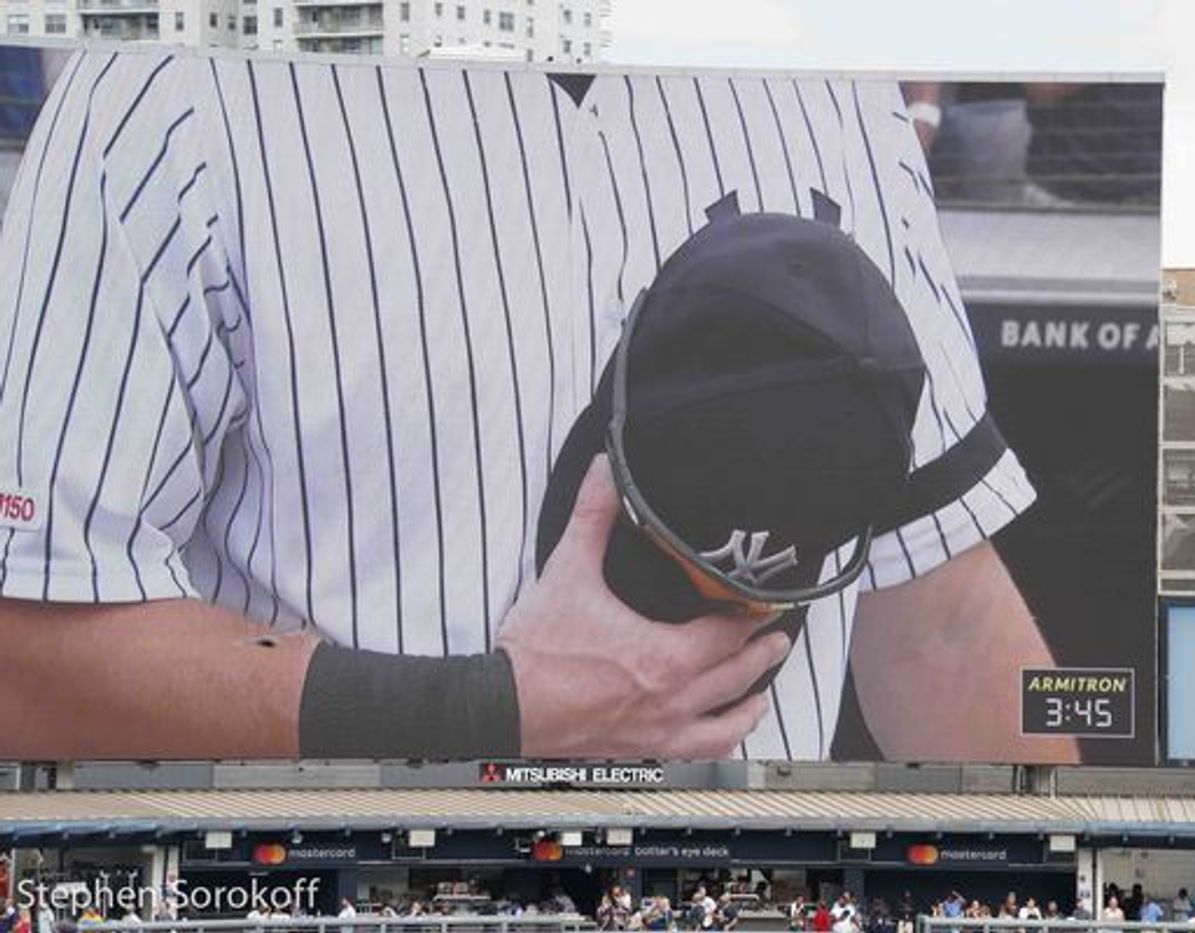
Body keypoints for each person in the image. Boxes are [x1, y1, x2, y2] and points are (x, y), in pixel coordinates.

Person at [0, 43, 1070, 767]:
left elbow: (936, 616)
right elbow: (26, 655)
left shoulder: (818, 68)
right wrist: (495, 714)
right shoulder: (169, 80)